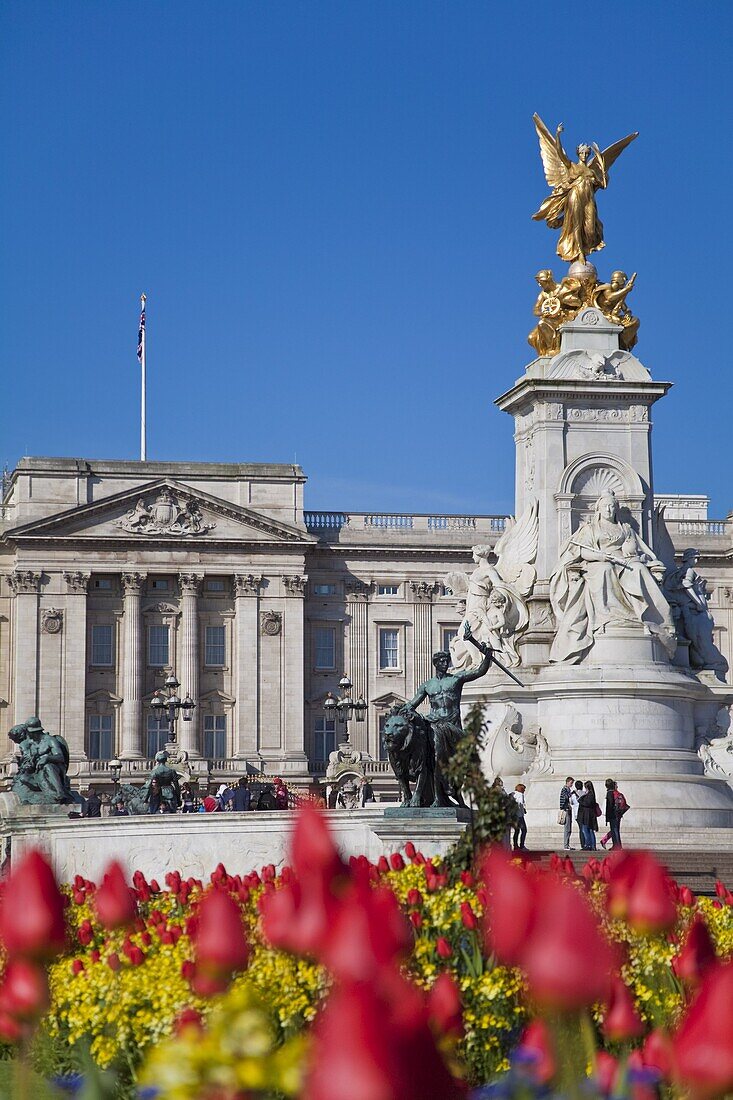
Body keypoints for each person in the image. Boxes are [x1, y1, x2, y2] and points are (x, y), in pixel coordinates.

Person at [550, 491, 675, 665]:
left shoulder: (625, 528)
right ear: (598, 509)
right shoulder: (590, 529)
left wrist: (633, 555)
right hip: (597, 562)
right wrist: (600, 557)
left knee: (639, 569)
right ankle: (606, 618)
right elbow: (582, 550)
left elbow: (636, 548)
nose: (609, 509)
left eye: (612, 506)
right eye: (605, 506)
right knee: (604, 570)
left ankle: (653, 618)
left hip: (623, 561)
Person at [601, 778, 627, 849]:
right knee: (616, 830)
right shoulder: (617, 793)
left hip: (613, 814)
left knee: (614, 830)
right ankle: (616, 845)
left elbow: (610, 805)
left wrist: (607, 816)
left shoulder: (610, 792)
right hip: (618, 814)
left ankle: (617, 846)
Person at [578, 780, 599, 850]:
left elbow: (587, 803)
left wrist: (580, 799)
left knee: (585, 830)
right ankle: (592, 845)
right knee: (590, 830)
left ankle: (588, 845)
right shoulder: (590, 794)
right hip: (588, 814)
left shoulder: (590, 794)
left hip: (587, 815)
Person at [559, 776, 574, 850]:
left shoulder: (567, 789)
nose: (571, 785)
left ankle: (567, 844)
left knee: (569, 828)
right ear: (567, 782)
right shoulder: (565, 789)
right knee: (567, 828)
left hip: (568, 809)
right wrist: (571, 794)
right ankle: (566, 845)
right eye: (571, 783)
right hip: (566, 810)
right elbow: (566, 797)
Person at [512, 783, 527, 850]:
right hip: (520, 816)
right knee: (524, 830)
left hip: (514, 816)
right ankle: (522, 845)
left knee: (517, 831)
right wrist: (523, 809)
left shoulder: (512, 794)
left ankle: (515, 845)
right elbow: (521, 803)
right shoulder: (521, 794)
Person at [572, 779, 584, 848]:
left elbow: (571, 802)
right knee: (584, 829)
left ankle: (582, 844)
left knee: (581, 829)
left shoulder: (573, 795)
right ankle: (585, 843)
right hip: (583, 813)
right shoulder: (584, 793)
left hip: (576, 814)